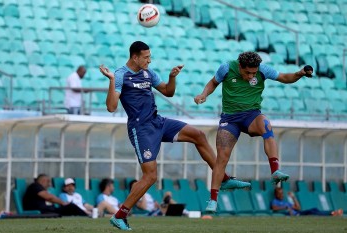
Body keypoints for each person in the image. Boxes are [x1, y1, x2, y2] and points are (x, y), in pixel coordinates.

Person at [99, 41, 249, 230]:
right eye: (146, 57)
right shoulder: (121, 75)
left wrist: (172, 77)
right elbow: (111, 107)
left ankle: (224, 179)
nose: (149, 60)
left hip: (158, 122)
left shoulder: (148, 73)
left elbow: (168, 92)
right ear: (135, 57)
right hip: (141, 129)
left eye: (150, 56)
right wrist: (111, 80)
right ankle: (120, 216)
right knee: (150, 177)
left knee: (199, 135)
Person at [194, 51, 313, 212]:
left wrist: (299, 73)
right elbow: (213, 83)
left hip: (251, 116)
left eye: (254, 73)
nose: (251, 76)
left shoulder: (263, 70)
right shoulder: (227, 68)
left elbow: (285, 78)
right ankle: (213, 201)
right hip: (230, 119)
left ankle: (275, 170)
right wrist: (204, 94)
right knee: (221, 157)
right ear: (240, 66)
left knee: (266, 125)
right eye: (247, 72)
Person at [23, 174, 87, 216]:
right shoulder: (35, 186)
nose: (49, 184)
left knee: (70, 208)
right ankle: (86, 217)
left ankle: (85, 216)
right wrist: (63, 203)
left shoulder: (39, 188)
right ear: (43, 181)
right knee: (71, 207)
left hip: (50, 210)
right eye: (48, 182)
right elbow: (49, 197)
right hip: (41, 211)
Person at [271, 187, 343, 216]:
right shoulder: (274, 201)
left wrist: (293, 198)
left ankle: (332, 212)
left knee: (314, 209)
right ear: (276, 194)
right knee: (312, 212)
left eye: (282, 193)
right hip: (296, 215)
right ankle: (331, 213)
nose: (282, 195)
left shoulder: (286, 202)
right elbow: (274, 208)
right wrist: (285, 207)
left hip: (298, 212)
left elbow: (298, 208)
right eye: (279, 194)